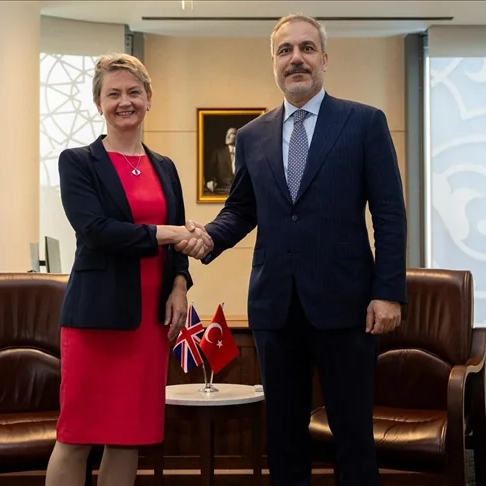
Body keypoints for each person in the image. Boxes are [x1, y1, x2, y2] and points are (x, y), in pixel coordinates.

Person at [176, 14, 407, 486]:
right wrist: (209, 238)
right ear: (274, 62)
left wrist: (387, 292)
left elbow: (389, 214)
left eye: (306, 48)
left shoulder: (364, 123)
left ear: (325, 58)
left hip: (347, 306)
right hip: (275, 308)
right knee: (283, 436)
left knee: (352, 435)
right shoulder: (252, 135)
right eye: (285, 50)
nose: (296, 58)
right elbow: (241, 209)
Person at [45, 53, 212, 486]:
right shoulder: (78, 161)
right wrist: (170, 233)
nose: (125, 101)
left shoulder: (165, 167)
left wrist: (180, 284)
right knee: (76, 435)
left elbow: (177, 244)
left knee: (128, 437)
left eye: (134, 92)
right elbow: (97, 231)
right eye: (113, 93)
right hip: (97, 321)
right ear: (98, 103)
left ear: (149, 99)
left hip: (149, 324)